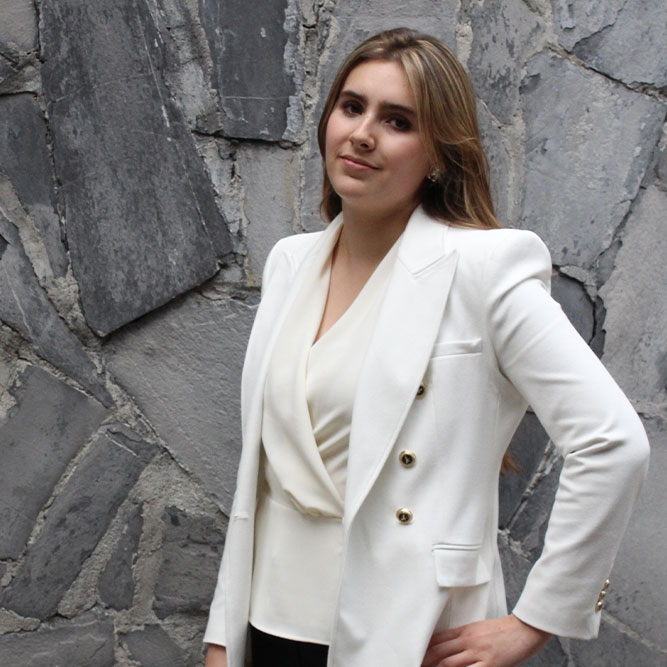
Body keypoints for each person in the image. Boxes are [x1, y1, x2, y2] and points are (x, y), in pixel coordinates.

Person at [203, 28, 649, 667]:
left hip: (407, 632)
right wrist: (223, 636)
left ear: (439, 153)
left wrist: (539, 618)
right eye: (351, 107)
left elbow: (612, 442)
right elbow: (260, 484)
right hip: (268, 626)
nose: (363, 134)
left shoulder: (485, 269)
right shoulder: (290, 263)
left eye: (398, 121)